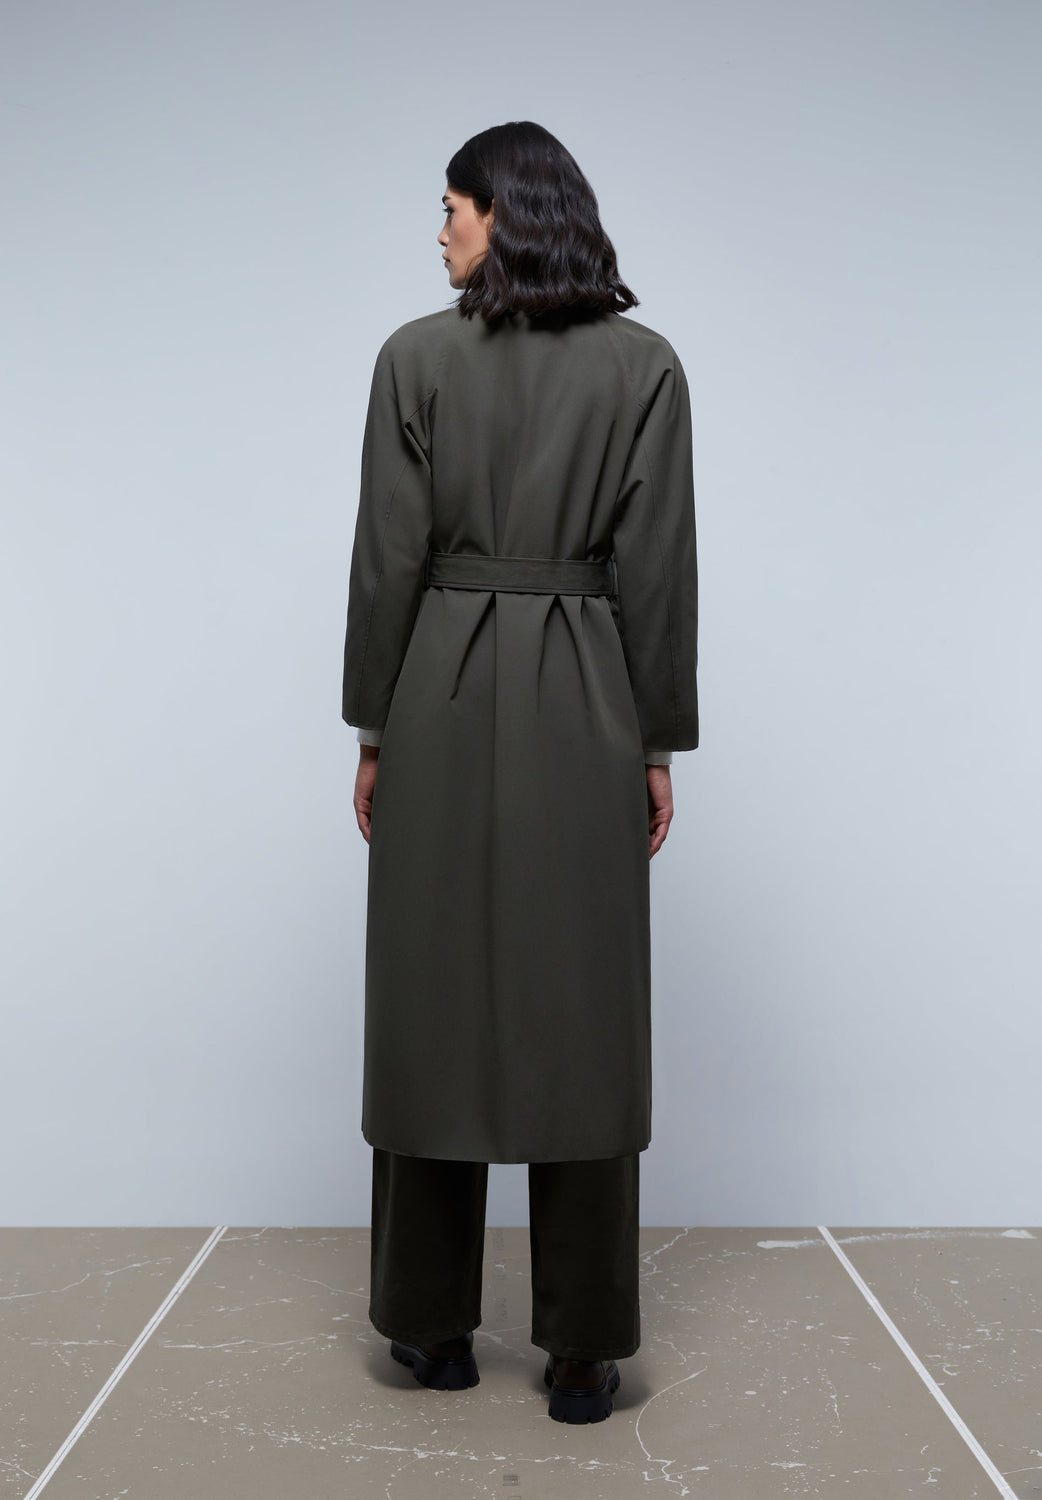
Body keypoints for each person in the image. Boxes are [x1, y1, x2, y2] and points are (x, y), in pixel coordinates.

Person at [341, 121, 699, 1424]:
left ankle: (429, 1327)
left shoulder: (413, 358)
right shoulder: (646, 368)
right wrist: (652, 742)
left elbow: (387, 558)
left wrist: (371, 729)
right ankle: (584, 1349)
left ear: (504, 213)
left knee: (429, 1003)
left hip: (436, 689)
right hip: (587, 700)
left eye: (451, 206)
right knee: (582, 1015)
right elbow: (657, 570)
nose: (438, 230)